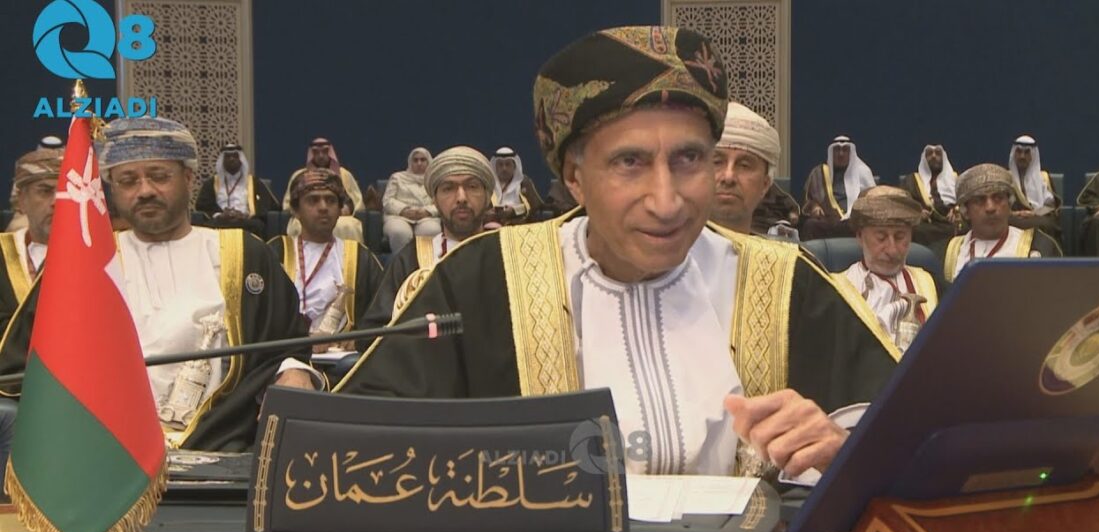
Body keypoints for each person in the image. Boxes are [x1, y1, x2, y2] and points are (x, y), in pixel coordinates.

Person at [337, 26, 898, 479]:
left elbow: (909, 437)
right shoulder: (481, 280)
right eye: (630, 163)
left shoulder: (783, 282)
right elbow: (357, 447)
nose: (666, 201)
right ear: (574, 178)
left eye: (689, 160)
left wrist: (844, 448)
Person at [0, 117, 320, 451]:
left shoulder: (244, 253)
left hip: (221, 441)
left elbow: (286, 344)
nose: (145, 191)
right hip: (106, 452)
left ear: (189, 178)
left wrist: (293, 371)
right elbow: (24, 364)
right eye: (128, 181)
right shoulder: (86, 260)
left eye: (159, 176)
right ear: (112, 189)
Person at [361, 146, 493, 330]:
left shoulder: (505, 253)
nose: (461, 198)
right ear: (434, 201)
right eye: (448, 188)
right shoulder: (410, 260)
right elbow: (376, 330)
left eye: (472, 187)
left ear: (488, 197)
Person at [267, 168, 383, 352]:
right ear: (296, 210)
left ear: (339, 210)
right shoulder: (275, 252)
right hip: (285, 354)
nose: (323, 207)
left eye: (331, 200)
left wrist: (360, 339)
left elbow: (381, 314)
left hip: (342, 360)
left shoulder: (360, 257)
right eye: (313, 200)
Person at [835, 186, 941, 351]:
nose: (892, 250)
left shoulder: (932, 285)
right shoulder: (834, 290)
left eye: (900, 237)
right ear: (860, 236)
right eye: (881, 237)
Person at [940, 164, 1062, 282]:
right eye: (980, 200)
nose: (990, 208)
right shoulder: (946, 253)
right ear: (966, 211)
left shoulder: (1040, 246)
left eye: (998, 198)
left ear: (1009, 205)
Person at [710, 101, 797, 238]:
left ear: (765, 184)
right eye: (717, 162)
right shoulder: (673, 251)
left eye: (744, 165)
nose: (728, 177)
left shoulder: (787, 254)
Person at [0, 147, 62, 331]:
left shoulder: (104, 256)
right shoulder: (3, 255)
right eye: (45, 191)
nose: (56, 201)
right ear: (22, 201)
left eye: (65, 191)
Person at [195, 143, 278, 237]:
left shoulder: (254, 183)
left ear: (241, 160)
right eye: (228, 156)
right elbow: (202, 205)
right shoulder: (211, 183)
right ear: (222, 160)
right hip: (221, 222)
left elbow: (268, 205)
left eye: (235, 156)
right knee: (207, 228)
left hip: (246, 222)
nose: (231, 159)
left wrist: (245, 215)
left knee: (258, 226)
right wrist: (220, 215)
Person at [801, 136, 876, 240]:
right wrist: (815, 207)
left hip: (853, 222)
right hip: (828, 221)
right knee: (810, 225)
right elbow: (809, 199)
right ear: (831, 152)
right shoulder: (819, 173)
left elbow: (873, 200)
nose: (841, 154)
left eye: (845, 150)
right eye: (837, 150)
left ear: (851, 153)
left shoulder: (863, 172)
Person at [383, 147, 442, 254]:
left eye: (423, 160)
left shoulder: (435, 180)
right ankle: (401, 263)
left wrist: (427, 211)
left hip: (427, 217)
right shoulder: (397, 178)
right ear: (410, 162)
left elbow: (442, 202)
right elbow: (387, 201)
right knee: (400, 232)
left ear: (429, 161)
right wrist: (404, 210)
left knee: (431, 230)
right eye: (415, 160)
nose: (419, 163)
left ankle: (426, 262)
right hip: (399, 216)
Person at [898, 144, 959, 247]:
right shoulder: (911, 180)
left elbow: (965, 201)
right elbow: (902, 203)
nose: (934, 156)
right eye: (929, 154)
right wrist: (916, 213)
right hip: (925, 224)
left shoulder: (955, 179)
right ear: (924, 159)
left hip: (950, 223)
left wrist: (956, 210)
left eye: (938, 154)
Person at [1007, 135, 1061, 242]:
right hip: (1013, 219)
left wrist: (1035, 213)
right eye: (1019, 151)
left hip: (1037, 217)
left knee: (1046, 225)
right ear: (1013, 154)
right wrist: (1013, 214)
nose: (1022, 156)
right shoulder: (1005, 177)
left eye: (1027, 152)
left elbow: (1051, 207)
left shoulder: (1043, 178)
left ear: (1033, 155)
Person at [6, 136, 62, 234]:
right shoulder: (28, 167)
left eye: (63, 191)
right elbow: (15, 202)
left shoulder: (76, 170)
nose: (55, 202)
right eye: (45, 191)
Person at [486, 147, 542, 227]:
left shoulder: (523, 182)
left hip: (520, 226)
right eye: (500, 165)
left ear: (514, 166)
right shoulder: (488, 184)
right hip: (493, 226)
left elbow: (536, 207)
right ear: (495, 166)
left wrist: (514, 211)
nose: (504, 168)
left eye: (508, 164)